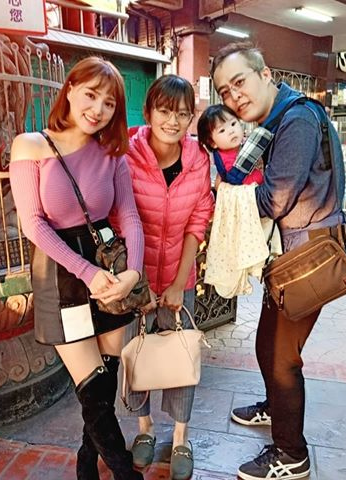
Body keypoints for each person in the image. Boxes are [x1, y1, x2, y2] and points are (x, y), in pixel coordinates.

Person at [211, 42, 346, 480]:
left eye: (240, 82)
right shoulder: (278, 119)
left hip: (306, 257)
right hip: (291, 255)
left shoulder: (296, 120)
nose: (234, 96)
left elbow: (275, 199)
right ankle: (275, 408)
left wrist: (222, 198)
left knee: (282, 357)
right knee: (266, 345)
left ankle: (291, 453)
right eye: (225, 91)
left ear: (264, 74)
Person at [9, 57, 144, 480]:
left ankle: (87, 464)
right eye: (91, 95)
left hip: (109, 267)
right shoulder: (31, 145)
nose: (98, 109)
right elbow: (33, 224)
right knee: (92, 385)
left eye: (109, 103)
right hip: (62, 275)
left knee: (103, 386)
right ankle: (126, 474)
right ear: (69, 89)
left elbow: (130, 216)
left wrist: (133, 274)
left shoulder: (112, 153)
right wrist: (87, 273)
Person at [124, 74, 214, 479]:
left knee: (181, 353)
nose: (173, 121)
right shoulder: (126, 156)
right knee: (137, 353)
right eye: (164, 111)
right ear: (148, 113)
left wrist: (179, 283)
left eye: (182, 113)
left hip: (180, 275)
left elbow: (199, 219)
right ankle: (144, 429)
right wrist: (138, 283)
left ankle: (180, 436)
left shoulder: (198, 160)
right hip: (135, 279)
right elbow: (120, 218)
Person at [197, 104, 264, 185]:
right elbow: (242, 181)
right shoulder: (228, 161)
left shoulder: (243, 144)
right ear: (213, 143)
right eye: (222, 130)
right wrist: (263, 177)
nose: (231, 131)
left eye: (233, 124)